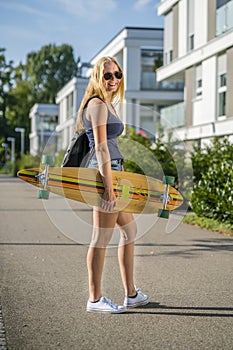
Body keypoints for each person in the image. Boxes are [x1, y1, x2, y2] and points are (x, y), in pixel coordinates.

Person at [76, 56, 149, 313]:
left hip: (115, 175)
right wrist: (108, 185)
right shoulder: (96, 104)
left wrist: (118, 178)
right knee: (101, 237)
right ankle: (94, 299)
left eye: (117, 75)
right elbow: (101, 147)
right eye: (108, 75)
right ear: (98, 76)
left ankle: (131, 294)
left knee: (130, 231)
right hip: (105, 175)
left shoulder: (108, 104)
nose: (113, 80)